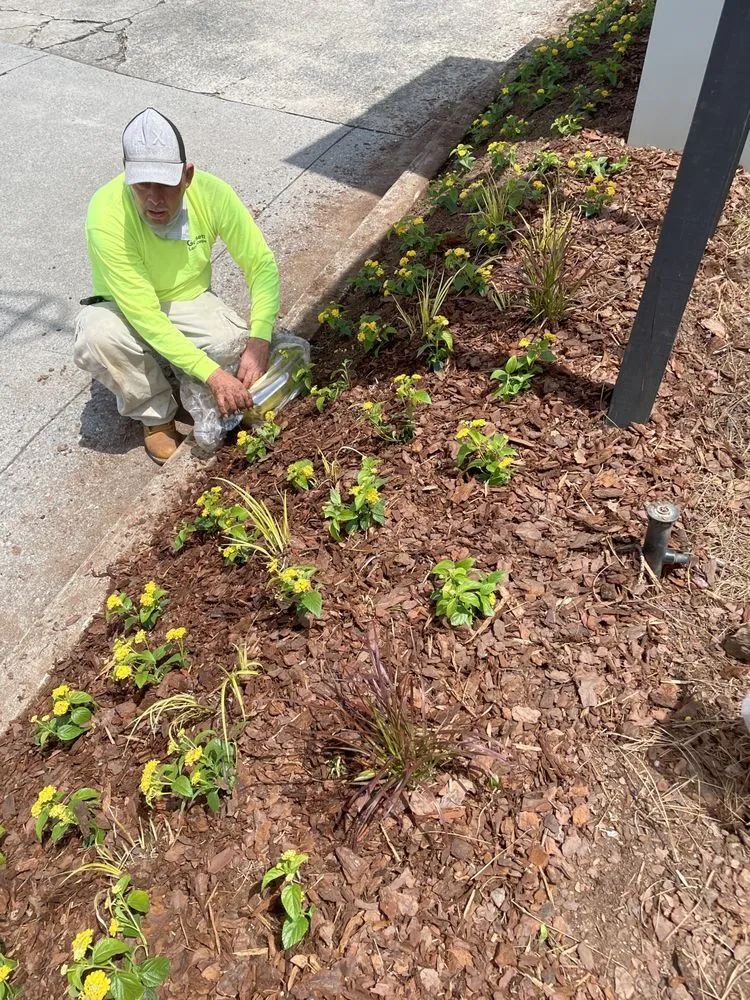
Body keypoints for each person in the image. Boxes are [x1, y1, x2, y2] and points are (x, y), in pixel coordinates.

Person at [74, 107, 280, 463]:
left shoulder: (213, 194)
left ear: (187, 176)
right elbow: (144, 314)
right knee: (98, 335)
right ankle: (156, 413)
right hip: (122, 308)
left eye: (166, 185)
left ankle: (174, 367)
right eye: (142, 185)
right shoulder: (106, 214)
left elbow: (260, 264)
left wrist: (260, 337)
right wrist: (213, 376)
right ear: (127, 178)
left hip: (187, 298)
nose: (154, 199)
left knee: (232, 345)